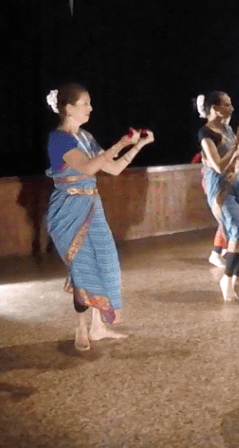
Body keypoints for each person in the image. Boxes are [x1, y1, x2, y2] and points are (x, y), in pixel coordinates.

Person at [44, 83, 154, 351]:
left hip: (92, 205)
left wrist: (137, 146)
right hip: (68, 209)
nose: (90, 108)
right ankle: (81, 328)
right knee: (83, 268)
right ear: (69, 108)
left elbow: (113, 168)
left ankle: (98, 327)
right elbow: (89, 167)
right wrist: (120, 143)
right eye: (85, 103)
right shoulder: (59, 139)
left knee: (106, 261)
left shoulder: (86, 137)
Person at [196, 91, 239, 301]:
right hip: (220, 188)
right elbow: (219, 166)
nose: (231, 108)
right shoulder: (206, 133)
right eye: (226, 104)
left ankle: (238, 280)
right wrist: (237, 145)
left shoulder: (228, 130)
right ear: (215, 109)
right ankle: (226, 280)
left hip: (237, 184)